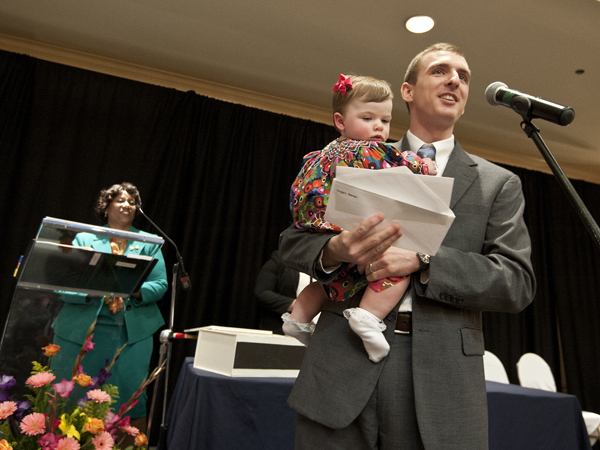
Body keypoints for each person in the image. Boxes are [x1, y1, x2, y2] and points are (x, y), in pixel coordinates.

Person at [278, 43, 536, 449]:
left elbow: (516, 282)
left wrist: (423, 261)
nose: (454, 80)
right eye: (440, 71)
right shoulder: (354, 154)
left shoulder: (497, 184)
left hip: (440, 378)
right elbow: (291, 242)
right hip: (341, 361)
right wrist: (336, 250)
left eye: (463, 76)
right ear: (408, 91)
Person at [282, 74, 434, 362]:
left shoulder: (320, 154)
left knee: (327, 283)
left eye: (385, 121)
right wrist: (423, 165)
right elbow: (401, 164)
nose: (378, 127)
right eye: (368, 118)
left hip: (321, 223)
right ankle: (367, 316)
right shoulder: (368, 151)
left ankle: (297, 319)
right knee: (396, 270)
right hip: (352, 224)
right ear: (340, 121)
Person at [51, 182, 167, 441]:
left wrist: (128, 288)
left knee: (127, 394)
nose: (128, 205)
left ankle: (124, 444)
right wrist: (94, 290)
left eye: (133, 202)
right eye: (121, 200)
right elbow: (64, 281)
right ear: (106, 207)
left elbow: (160, 285)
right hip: (83, 329)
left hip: (131, 334)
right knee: (73, 394)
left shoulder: (149, 243)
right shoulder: (85, 238)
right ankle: (66, 443)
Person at [254, 249, 313, 334]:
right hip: (281, 330)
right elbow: (262, 292)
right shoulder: (282, 258)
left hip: (320, 333)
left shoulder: (331, 265)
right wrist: (296, 305)